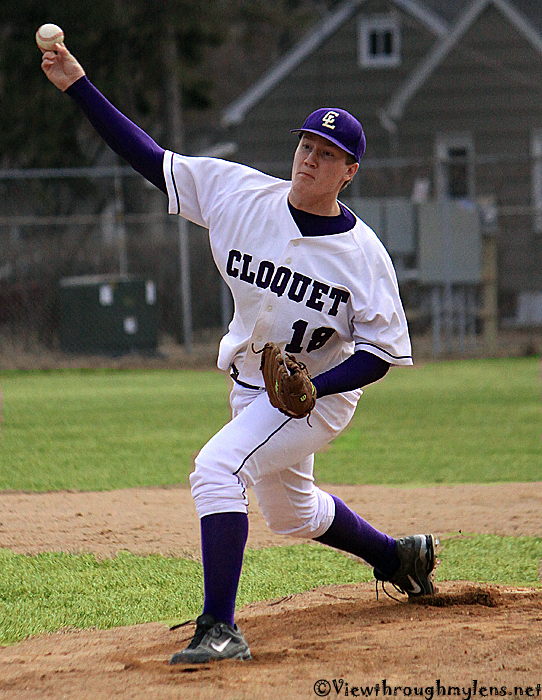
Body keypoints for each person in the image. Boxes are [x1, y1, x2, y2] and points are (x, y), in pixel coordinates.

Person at [41, 42, 436, 665]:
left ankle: (221, 629)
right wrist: (78, 85)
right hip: (252, 383)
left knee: (217, 469)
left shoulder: (365, 256)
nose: (310, 158)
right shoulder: (238, 194)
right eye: (306, 145)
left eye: (327, 154)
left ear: (349, 171)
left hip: (315, 400)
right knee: (293, 513)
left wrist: (315, 388)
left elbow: (382, 352)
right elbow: (151, 159)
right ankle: (399, 557)